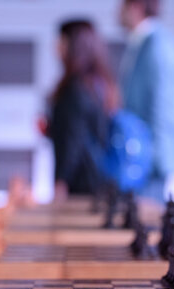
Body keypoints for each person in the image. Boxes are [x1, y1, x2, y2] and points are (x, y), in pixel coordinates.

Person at [118, 0, 174, 201]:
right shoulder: (144, 43)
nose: (117, 12)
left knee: (147, 221)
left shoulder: (158, 45)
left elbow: (163, 107)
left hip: (150, 160)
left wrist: (155, 159)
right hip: (143, 156)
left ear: (136, 7)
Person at [47, 20, 120, 200]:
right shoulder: (98, 85)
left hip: (80, 183)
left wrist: (61, 182)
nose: (56, 46)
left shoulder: (76, 88)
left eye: (61, 40)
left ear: (74, 46)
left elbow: (73, 139)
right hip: (97, 180)